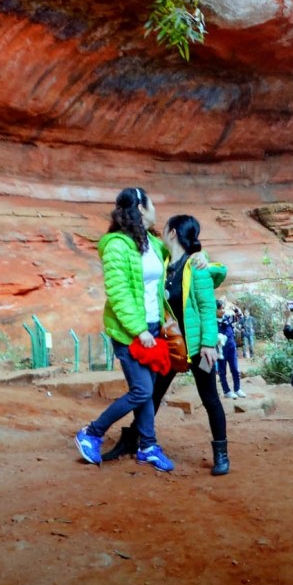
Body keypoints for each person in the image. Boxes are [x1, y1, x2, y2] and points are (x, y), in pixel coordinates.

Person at [102, 214, 231, 475]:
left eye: (164, 228)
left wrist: (208, 343)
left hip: (197, 348)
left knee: (210, 400)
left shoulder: (197, 267)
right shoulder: (164, 265)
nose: (160, 232)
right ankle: (133, 441)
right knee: (152, 394)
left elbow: (207, 308)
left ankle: (221, 454)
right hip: (171, 346)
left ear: (172, 232)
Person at [75, 187, 175, 472]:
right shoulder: (116, 245)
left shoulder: (153, 244)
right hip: (130, 332)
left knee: (148, 389)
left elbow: (169, 274)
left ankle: (147, 446)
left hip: (154, 328)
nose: (156, 210)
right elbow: (119, 293)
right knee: (142, 391)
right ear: (142, 208)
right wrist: (138, 330)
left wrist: (205, 260)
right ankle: (91, 433)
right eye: (153, 203)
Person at [216, 299, 246, 398]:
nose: (222, 310)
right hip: (220, 351)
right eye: (220, 309)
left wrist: (236, 309)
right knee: (222, 371)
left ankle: (237, 389)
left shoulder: (228, 318)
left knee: (235, 369)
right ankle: (226, 391)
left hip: (231, 348)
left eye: (223, 308)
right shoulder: (211, 322)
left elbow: (241, 318)